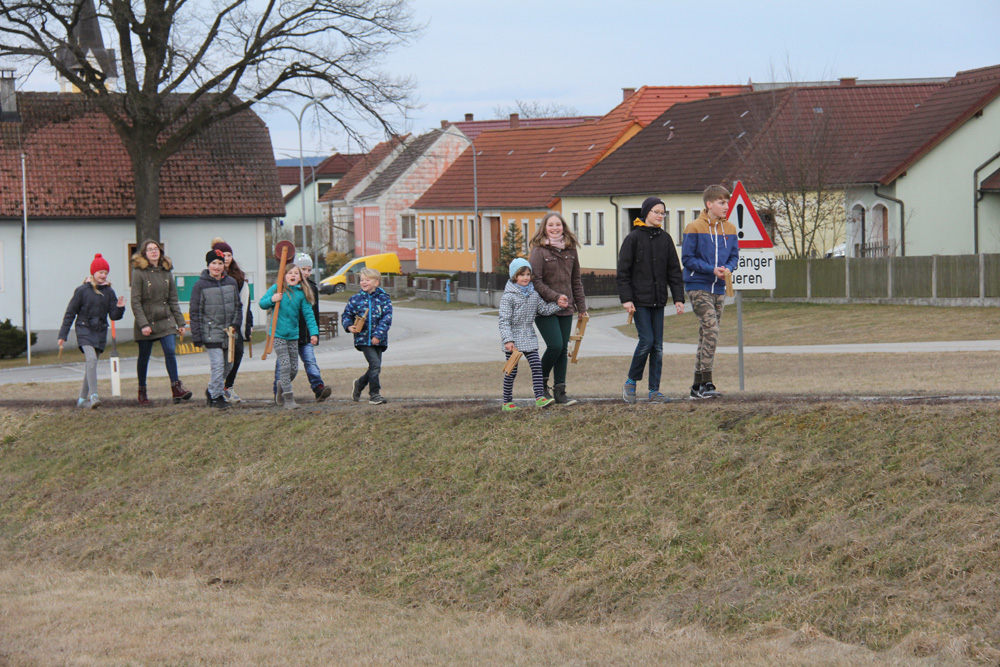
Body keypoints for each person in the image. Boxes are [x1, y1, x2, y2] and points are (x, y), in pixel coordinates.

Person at [617, 197, 685, 404]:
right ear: (646, 212)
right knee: (646, 341)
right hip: (639, 301)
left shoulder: (665, 239)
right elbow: (623, 272)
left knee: (658, 346)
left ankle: (654, 390)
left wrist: (678, 298)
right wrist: (627, 299)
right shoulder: (633, 238)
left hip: (659, 300)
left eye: (662, 213)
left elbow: (674, 270)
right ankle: (630, 382)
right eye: (656, 211)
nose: (659, 216)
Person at [682, 184, 739, 399]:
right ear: (709, 204)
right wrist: (710, 269)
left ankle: (697, 387)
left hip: (719, 288)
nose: (726, 206)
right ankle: (707, 382)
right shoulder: (694, 227)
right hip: (698, 286)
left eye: (727, 202)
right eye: (722, 202)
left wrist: (729, 269)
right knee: (712, 331)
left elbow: (734, 257)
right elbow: (687, 259)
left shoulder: (731, 229)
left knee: (705, 335)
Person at [528, 211, 587, 406]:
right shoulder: (539, 250)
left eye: (558, 225)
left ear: (563, 227)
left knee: (562, 350)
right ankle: (540, 386)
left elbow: (575, 279)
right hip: (544, 307)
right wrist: (555, 297)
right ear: (544, 228)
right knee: (555, 345)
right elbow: (535, 281)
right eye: (551, 225)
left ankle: (560, 391)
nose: (555, 228)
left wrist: (581, 307)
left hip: (566, 306)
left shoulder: (570, 249)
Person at [57, 253, 126, 408]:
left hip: (100, 332)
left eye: (106, 273)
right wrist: (63, 335)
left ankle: (82, 400)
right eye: (101, 272)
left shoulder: (109, 292)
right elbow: (70, 313)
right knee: (92, 360)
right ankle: (94, 396)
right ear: (93, 273)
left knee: (91, 365)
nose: (103, 275)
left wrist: (120, 308)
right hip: (84, 330)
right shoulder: (82, 290)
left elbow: (114, 316)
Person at [130, 239, 193, 405]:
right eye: (150, 249)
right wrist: (143, 324)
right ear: (145, 253)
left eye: (156, 249)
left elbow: (173, 299)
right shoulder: (139, 273)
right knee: (144, 357)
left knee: (170, 351)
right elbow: (135, 301)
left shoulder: (166, 272)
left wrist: (180, 323)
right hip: (147, 320)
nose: (154, 252)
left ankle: (176, 388)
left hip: (165, 319)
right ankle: (142, 390)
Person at [498, 258, 564, 411]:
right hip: (513, 340)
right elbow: (504, 320)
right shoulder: (508, 297)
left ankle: (539, 397)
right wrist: (508, 340)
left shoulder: (534, 294)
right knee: (511, 371)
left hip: (529, 337)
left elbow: (544, 310)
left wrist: (558, 306)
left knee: (536, 366)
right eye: (522, 275)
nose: (526, 278)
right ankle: (507, 402)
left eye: (528, 274)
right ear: (514, 276)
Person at [271, 253, 332, 402]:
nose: (306, 273)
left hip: (305, 335)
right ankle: (278, 391)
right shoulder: (283, 287)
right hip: (287, 335)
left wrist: (314, 332)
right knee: (284, 365)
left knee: (310, 361)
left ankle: (318, 388)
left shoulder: (311, 288)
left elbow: (313, 313)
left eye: (308, 270)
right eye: (302, 269)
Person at [259, 263, 318, 409]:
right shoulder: (276, 289)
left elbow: (309, 314)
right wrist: (273, 299)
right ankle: (289, 399)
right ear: (284, 276)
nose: (293, 275)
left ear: (300, 278)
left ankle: (281, 385)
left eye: (296, 273)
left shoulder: (301, 293)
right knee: (284, 365)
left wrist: (314, 332)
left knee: (293, 368)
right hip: (277, 333)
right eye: (290, 273)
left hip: (293, 334)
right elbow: (262, 304)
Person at [189, 249, 242, 410]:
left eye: (220, 263)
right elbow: (195, 312)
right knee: (218, 364)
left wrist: (236, 324)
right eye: (214, 263)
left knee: (228, 366)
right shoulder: (200, 285)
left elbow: (237, 306)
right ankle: (217, 397)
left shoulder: (231, 283)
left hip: (229, 334)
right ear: (208, 265)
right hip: (211, 333)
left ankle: (212, 389)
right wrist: (197, 335)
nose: (217, 266)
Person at [210, 238, 254, 403]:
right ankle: (215, 388)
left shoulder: (239, 278)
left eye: (229, 255)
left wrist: (247, 324)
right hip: (218, 323)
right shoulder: (211, 276)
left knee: (238, 353)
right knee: (221, 359)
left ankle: (228, 386)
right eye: (224, 255)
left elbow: (245, 303)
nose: (227, 258)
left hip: (236, 322)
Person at [342, 268, 393, 405]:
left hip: (379, 339)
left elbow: (387, 318)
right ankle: (375, 394)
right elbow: (346, 315)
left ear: (376, 282)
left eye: (367, 280)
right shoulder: (355, 299)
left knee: (375, 367)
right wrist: (348, 326)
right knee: (375, 364)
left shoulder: (384, 298)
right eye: (362, 280)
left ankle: (359, 384)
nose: (363, 282)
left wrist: (378, 335)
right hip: (363, 338)